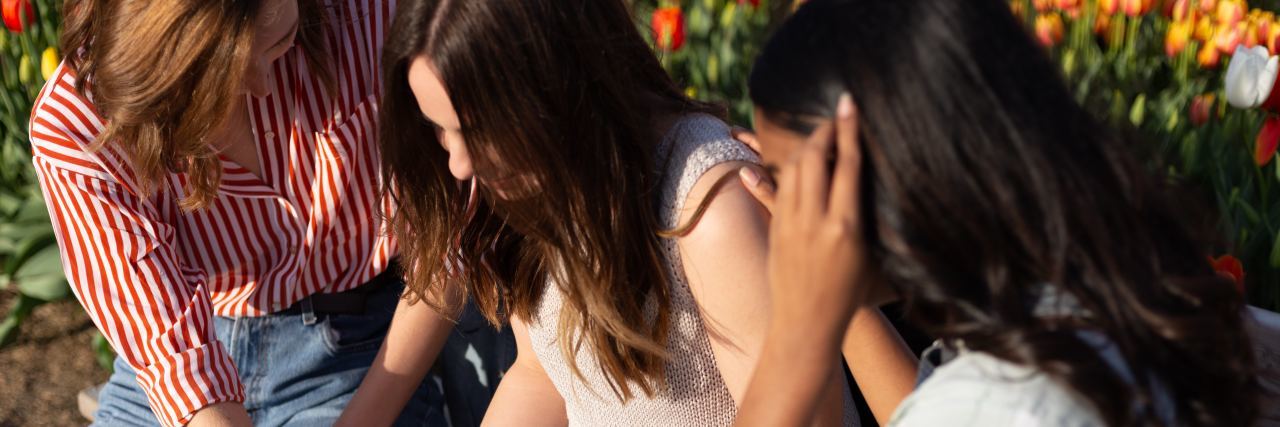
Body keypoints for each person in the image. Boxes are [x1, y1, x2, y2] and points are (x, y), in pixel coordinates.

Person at [373, 0, 918, 425]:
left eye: (478, 130)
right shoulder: (527, 183)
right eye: (441, 130)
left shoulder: (704, 208)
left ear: (555, 91)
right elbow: (545, 375)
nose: (461, 164)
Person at [731, 0, 1259, 425]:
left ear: (886, 170)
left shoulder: (996, 402)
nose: (787, 216)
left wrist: (797, 338)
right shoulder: (1107, 298)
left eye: (790, 179)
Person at [29, 1, 506, 425]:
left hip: (362, 352)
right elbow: (176, 368)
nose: (262, 86)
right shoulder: (80, 126)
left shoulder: (369, 17)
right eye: (219, 75)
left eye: (280, 41)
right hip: (192, 344)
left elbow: (444, 247)